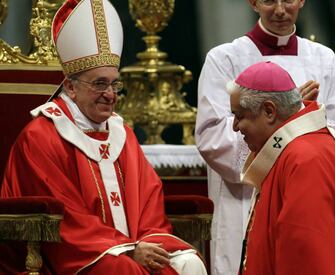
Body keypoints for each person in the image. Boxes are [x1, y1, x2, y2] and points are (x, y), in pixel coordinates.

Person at [0, 0, 207, 274]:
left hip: (128, 246)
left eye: (114, 83)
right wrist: (128, 249)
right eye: (99, 83)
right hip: (74, 255)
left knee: (188, 264)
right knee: (121, 268)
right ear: (71, 87)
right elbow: (65, 222)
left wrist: (145, 242)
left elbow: (149, 202)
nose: (110, 94)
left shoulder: (122, 134)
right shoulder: (42, 136)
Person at [195, 0, 335, 274]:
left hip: (310, 194)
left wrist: (301, 118)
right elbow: (212, 136)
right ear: (253, 3)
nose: (279, 10)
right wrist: (290, 116)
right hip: (246, 199)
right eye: (268, 0)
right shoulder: (224, 58)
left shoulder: (324, 59)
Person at [228, 60, 335, 274]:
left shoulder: (305, 160)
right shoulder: (294, 150)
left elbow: (308, 257)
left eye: (239, 116)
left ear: (269, 111)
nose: (235, 127)